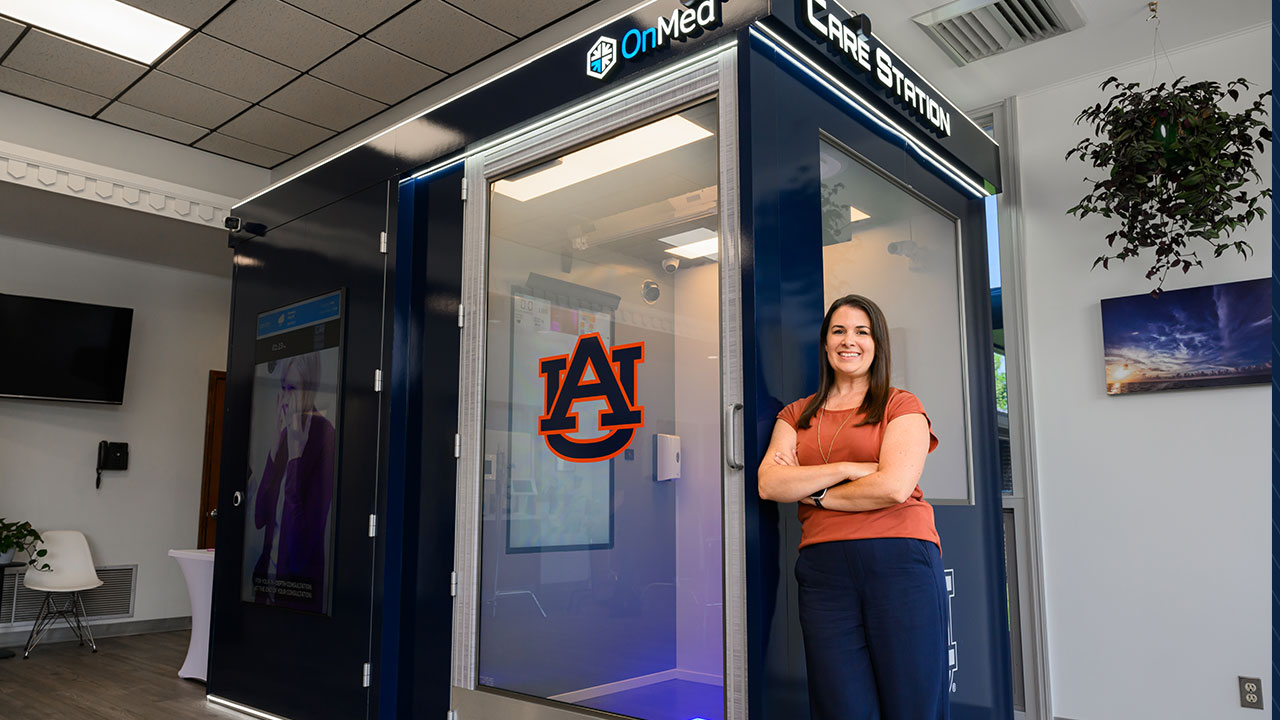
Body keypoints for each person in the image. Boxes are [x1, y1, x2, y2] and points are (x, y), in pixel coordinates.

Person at [758, 294, 949, 720]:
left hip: (900, 561)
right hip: (824, 572)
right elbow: (770, 483)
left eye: (862, 332)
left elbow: (894, 487)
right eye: (839, 331)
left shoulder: (900, 405)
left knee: (913, 704)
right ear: (825, 343)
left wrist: (813, 490)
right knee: (840, 707)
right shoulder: (794, 415)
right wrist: (847, 467)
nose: (850, 341)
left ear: (877, 343)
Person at [252, 352, 335, 613]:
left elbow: (299, 548)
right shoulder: (286, 434)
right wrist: (276, 448)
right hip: (268, 588)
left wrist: (296, 460)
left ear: (310, 389)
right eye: (283, 388)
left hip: (298, 596)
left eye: (294, 389)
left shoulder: (325, 437)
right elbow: (260, 517)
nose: (286, 399)